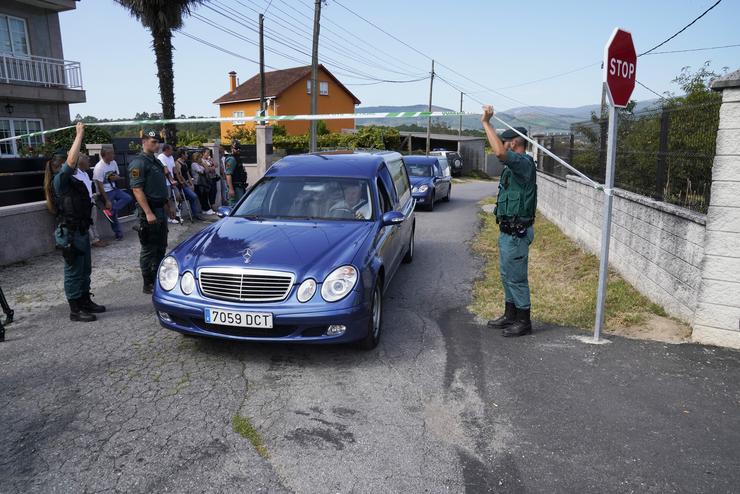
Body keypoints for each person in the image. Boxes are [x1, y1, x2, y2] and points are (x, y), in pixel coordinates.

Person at [480, 105, 537, 337]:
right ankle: (510, 314)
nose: (501, 145)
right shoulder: (513, 168)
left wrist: (486, 123)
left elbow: (500, 154)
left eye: (505, 141)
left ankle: (524, 321)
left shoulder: (524, 164)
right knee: (506, 275)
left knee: (516, 277)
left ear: (514, 143)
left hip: (517, 234)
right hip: (507, 232)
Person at [45, 122, 106, 322]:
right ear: (59, 165)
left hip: (80, 228)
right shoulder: (59, 180)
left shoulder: (72, 178)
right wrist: (79, 134)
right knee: (73, 272)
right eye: (65, 163)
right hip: (70, 232)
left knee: (84, 268)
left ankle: (84, 300)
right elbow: (72, 161)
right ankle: (75, 310)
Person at [129, 129, 176, 294]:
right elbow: (137, 189)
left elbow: (161, 189)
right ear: (144, 141)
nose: (157, 144)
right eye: (153, 142)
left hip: (160, 209)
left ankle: (157, 277)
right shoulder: (139, 163)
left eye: (158, 142)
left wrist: (168, 207)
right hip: (149, 212)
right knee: (149, 248)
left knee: (161, 245)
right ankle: (147, 282)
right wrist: (148, 212)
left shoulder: (155, 162)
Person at [93, 147, 133, 240]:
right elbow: (99, 185)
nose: (113, 155)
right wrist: (107, 200)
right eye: (110, 154)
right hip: (106, 192)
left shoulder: (113, 163)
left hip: (114, 188)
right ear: (104, 155)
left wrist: (116, 178)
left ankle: (111, 210)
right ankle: (119, 234)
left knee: (128, 198)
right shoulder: (99, 167)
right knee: (114, 217)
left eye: (113, 153)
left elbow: (116, 174)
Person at [73, 155, 106, 248]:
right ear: (81, 163)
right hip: (83, 202)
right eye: (87, 161)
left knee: (93, 222)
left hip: (90, 200)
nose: (89, 163)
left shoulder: (85, 173)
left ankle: (96, 238)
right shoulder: (75, 174)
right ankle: (94, 240)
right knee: (88, 222)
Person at [174, 149, 204, 221]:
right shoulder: (177, 163)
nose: (187, 155)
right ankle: (196, 214)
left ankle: (196, 214)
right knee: (194, 196)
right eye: (186, 154)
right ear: (182, 155)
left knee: (193, 198)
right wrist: (187, 184)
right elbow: (180, 175)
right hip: (183, 184)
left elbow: (188, 174)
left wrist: (191, 184)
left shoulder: (184, 163)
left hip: (188, 183)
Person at [225, 141, 247, 206]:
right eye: (236, 148)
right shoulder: (231, 159)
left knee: (240, 206)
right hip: (235, 187)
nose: (238, 150)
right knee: (234, 206)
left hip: (240, 186)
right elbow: (228, 175)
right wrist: (231, 189)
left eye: (239, 148)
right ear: (232, 148)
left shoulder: (237, 158)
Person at [203, 148, 220, 213]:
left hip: (213, 178)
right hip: (208, 179)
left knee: (214, 191)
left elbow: (216, 165)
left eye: (209, 153)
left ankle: (213, 204)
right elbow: (207, 169)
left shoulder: (209, 160)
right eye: (207, 153)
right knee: (210, 192)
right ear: (203, 153)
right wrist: (212, 168)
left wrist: (212, 160)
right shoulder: (202, 160)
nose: (208, 154)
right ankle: (210, 206)